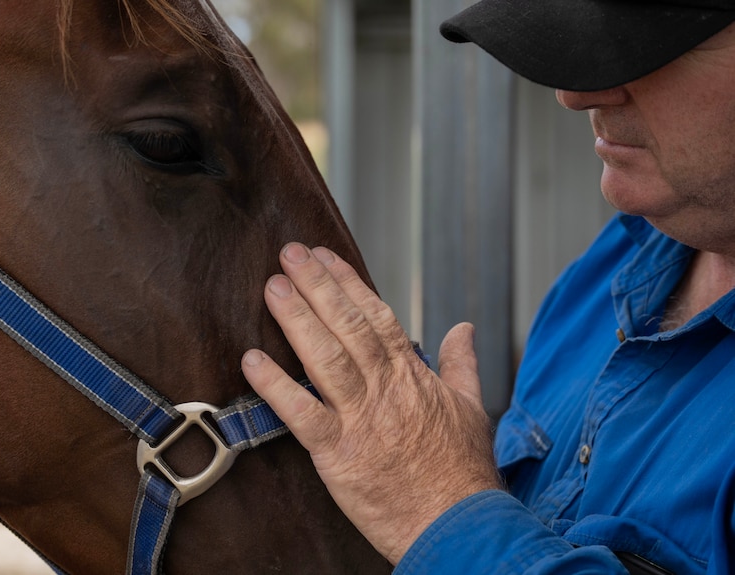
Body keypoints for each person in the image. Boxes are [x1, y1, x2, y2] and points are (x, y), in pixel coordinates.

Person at [241, 0, 735, 573]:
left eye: (651, 50)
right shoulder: (607, 272)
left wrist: (440, 508)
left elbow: (443, 511)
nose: (576, 95)